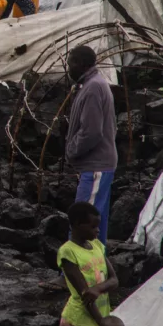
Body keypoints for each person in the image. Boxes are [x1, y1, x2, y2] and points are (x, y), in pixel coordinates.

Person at [66, 45, 118, 246]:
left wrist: (72, 151)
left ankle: (72, 274)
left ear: (80, 64)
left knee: (82, 223)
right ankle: (98, 273)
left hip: (95, 167)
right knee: (97, 225)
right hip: (100, 165)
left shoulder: (93, 88)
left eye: (70, 63)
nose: (68, 68)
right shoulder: (93, 84)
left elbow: (91, 132)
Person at [57, 201, 125, 326]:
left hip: (101, 315)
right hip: (80, 321)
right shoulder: (68, 252)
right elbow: (85, 296)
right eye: (93, 226)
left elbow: (114, 280)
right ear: (77, 224)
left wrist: (97, 289)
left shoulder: (97, 245)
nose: (98, 230)